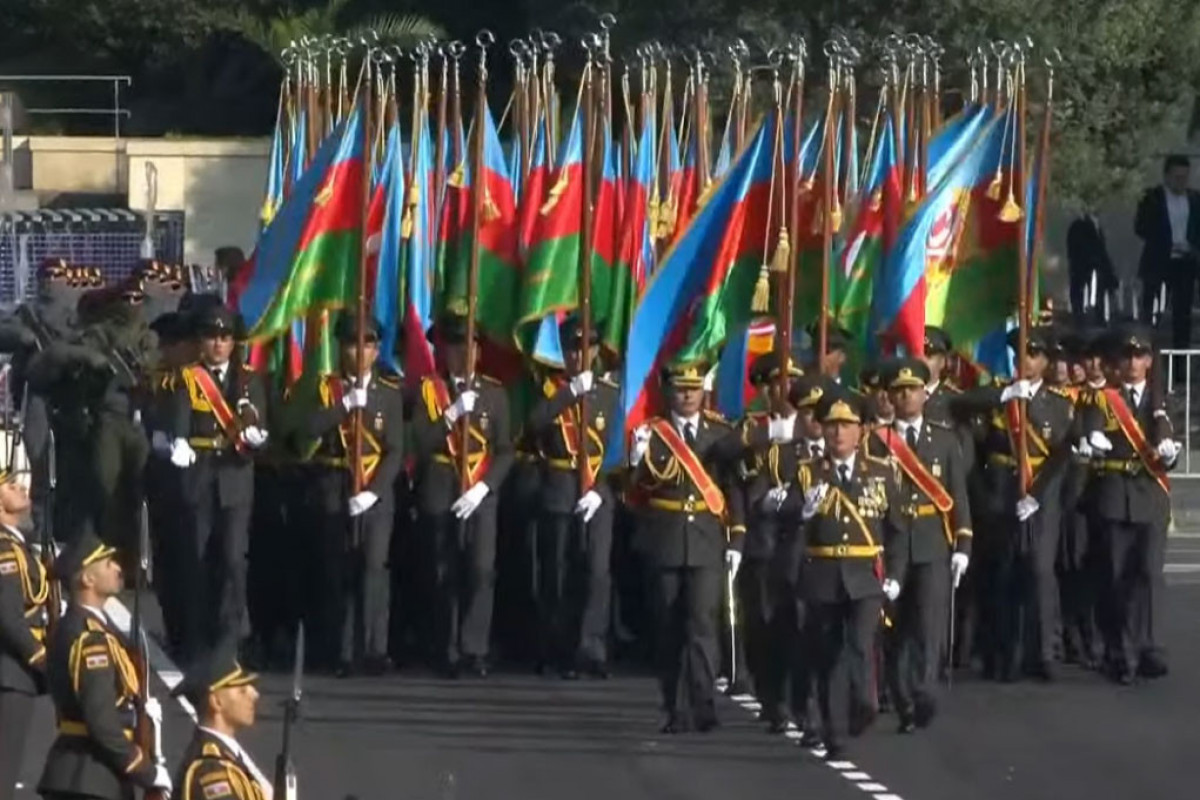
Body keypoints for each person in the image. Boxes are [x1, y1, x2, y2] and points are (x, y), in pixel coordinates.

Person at [776, 389, 907, 759]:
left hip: (864, 575)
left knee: (861, 644)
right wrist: (801, 510)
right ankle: (834, 732)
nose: (838, 433)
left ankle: (864, 704)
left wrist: (895, 573)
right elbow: (783, 519)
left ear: (861, 432)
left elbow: (897, 529)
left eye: (846, 426)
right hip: (823, 574)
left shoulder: (881, 473)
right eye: (832, 425)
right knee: (828, 654)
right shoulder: (808, 473)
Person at [628, 362, 747, 734]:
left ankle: (704, 702)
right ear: (669, 391)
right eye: (681, 388)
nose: (687, 395)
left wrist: (737, 538)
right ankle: (673, 706)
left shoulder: (720, 433)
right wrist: (636, 461)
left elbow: (734, 489)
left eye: (694, 389)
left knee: (701, 624)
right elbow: (634, 493)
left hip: (707, 540)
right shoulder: (652, 434)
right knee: (668, 627)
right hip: (664, 538)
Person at [955, 327, 1074, 681]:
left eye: (1034, 354)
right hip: (1000, 492)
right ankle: (1001, 655)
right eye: (1021, 353)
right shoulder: (999, 396)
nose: (1027, 360)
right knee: (1002, 574)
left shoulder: (1058, 405)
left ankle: (1043, 654)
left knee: (1038, 572)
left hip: (1041, 494)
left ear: (1046, 360)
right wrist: (1005, 394)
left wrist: (1037, 494)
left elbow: (1063, 452)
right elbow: (962, 409)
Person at [297, 315, 405, 675]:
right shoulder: (326, 388)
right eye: (352, 344)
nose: (359, 352)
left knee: (374, 568)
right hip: (334, 483)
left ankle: (374, 648)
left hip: (375, 491)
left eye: (368, 345)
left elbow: (396, 450)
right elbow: (308, 428)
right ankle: (338, 650)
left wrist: (374, 493)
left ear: (376, 351)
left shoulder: (388, 394)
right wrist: (344, 406)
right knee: (336, 570)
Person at [870, 358, 972, 732]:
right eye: (898, 391)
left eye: (912, 389)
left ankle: (925, 692)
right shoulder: (876, 443)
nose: (906, 396)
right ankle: (904, 701)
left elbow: (958, 498)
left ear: (923, 394)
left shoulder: (944, 439)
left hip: (932, 543)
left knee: (929, 627)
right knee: (896, 630)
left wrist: (963, 545)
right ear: (889, 397)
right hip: (892, 545)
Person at [412, 312, 513, 678]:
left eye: (469, 346)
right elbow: (420, 442)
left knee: (481, 570)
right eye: (455, 346)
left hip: (480, 490)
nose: (462, 354)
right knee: (444, 571)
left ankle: (475, 648)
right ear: (444, 351)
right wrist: (452, 413)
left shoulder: (494, 393)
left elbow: (505, 449)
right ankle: (445, 647)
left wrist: (485, 488)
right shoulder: (430, 390)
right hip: (441, 483)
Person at [166, 305, 269, 664]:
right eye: (212, 338)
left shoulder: (248, 378)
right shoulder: (190, 377)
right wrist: (178, 440)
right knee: (197, 557)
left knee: (233, 558)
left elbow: (260, 422)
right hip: (200, 473)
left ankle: (232, 638)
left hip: (236, 475)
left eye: (225, 338)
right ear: (201, 342)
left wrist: (257, 436)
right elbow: (180, 416)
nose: (219, 345)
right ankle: (197, 638)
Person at [38, 530, 172, 800]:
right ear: (87, 578)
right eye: (107, 562)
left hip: (86, 776)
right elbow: (101, 721)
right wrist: (145, 770)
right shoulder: (90, 638)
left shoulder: (88, 627)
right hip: (90, 777)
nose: (117, 567)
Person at [1079, 323, 1176, 684]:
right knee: (1116, 576)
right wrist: (1090, 437)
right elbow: (1089, 423)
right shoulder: (1104, 398)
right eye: (1127, 356)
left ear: (1149, 360)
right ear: (1117, 363)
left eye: (1140, 355)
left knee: (1149, 574)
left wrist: (1167, 454)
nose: (1133, 363)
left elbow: (1170, 443)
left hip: (1149, 494)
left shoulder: (1162, 399)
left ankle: (1149, 647)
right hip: (1115, 493)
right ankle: (1121, 651)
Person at [526, 317, 618, 678]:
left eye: (587, 348)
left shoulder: (610, 394)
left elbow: (620, 446)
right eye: (573, 349)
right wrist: (569, 394)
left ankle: (591, 650)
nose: (581, 355)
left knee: (597, 573)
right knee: (558, 572)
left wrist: (600, 488)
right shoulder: (550, 391)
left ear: (595, 351)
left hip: (599, 489)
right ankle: (557, 648)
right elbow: (533, 425)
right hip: (560, 485)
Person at [0, 467, 48, 800]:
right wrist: (42, 657)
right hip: (10, 672)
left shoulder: (17, 545)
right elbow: (8, 615)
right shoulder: (5, 550)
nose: (19, 487)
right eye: (8, 485)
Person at [172, 639, 271, 800]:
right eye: (241, 690)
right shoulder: (211, 770)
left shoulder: (225, 757)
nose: (254, 694)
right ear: (216, 702)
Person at [1135, 155, 1200, 344]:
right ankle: (1145, 351)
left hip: (1185, 263)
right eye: (1177, 177)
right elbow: (1140, 227)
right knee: (1151, 312)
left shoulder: (1195, 199)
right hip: (1158, 262)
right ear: (1166, 176)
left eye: (1184, 177)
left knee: (1182, 314)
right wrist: (1164, 242)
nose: (1181, 182)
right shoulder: (1152, 198)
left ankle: (1180, 362)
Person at [1067, 210, 1115, 321]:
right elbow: (1099, 247)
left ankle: (1084, 315)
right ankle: (1093, 315)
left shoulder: (1079, 226)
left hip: (1083, 262)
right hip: (1086, 261)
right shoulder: (1089, 227)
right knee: (1085, 288)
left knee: (1081, 288)